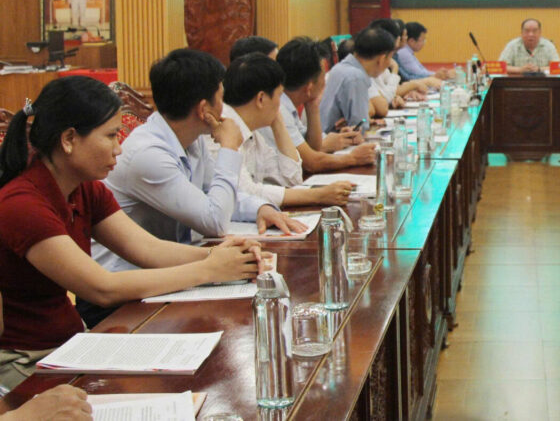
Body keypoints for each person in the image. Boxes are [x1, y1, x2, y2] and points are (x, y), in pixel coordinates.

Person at [0, 77, 261, 389]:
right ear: (69, 139)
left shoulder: (85, 189)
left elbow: (148, 250)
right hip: (26, 360)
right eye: (111, 136)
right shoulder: (23, 204)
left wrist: (223, 256)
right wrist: (209, 269)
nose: (119, 148)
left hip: (70, 344)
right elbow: (102, 288)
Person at [92, 49, 301, 279]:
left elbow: (218, 194)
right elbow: (214, 221)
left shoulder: (192, 139)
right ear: (204, 110)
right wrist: (229, 147)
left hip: (172, 267)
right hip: (127, 279)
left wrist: (261, 208)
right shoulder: (148, 154)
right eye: (221, 98)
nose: (224, 107)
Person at [215, 53, 356, 208]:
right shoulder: (222, 130)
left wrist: (278, 123)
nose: (280, 105)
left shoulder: (253, 132)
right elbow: (246, 192)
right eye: (279, 96)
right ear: (261, 99)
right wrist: (317, 195)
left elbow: (292, 179)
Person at [275, 37, 376, 173]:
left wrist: (313, 105)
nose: (325, 82)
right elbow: (311, 163)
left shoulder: (289, 104)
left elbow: (314, 147)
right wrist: (353, 158)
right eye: (323, 76)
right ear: (309, 87)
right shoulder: (279, 109)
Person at [320, 26, 395, 132]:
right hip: (334, 139)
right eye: (390, 57)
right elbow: (359, 128)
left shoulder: (341, 67)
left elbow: (360, 120)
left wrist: (365, 121)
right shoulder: (356, 77)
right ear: (382, 59)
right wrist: (363, 123)